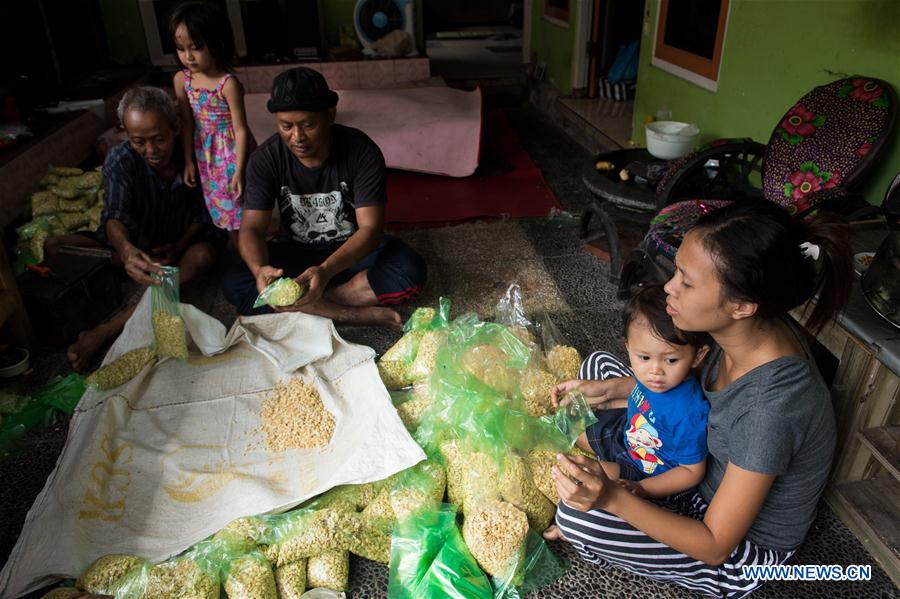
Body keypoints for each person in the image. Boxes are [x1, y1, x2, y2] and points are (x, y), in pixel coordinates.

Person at [545, 199, 851, 597]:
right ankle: (623, 457)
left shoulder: (770, 412)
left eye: (686, 282)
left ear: (740, 305)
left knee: (580, 519)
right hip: (696, 453)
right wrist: (613, 390)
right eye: (677, 273)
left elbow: (715, 544)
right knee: (599, 368)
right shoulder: (740, 330)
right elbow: (681, 376)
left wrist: (613, 499)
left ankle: (608, 505)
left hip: (732, 547)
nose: (669, 287)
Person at [222, 67, 427, 326]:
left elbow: (370, 229)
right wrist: (259, 269)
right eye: (286, 126)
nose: (297, 137)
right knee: (235, 281)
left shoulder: (361, 151)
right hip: (295, 253)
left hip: (351, 251)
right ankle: (347, 313)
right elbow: (251, 227)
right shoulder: (266, 159)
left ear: (330, 115)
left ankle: (305, 306)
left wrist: (326, 270)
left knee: (409, 270)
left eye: (308, 125)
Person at [44, 86, 223, 371]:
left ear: (175, 127)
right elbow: (114, 217)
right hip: (139, 241)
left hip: (185, 242)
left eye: (159, 140)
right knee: (55, 246)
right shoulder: (121, 159)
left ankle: (105, 331)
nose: (150, 151)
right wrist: (127, 252)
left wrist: (178, 247)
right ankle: (129, 263)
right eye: (139, 141)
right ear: (125, 133)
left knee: (202, 257)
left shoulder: (197, 154)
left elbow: (207, 213)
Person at [574, 284, 711, 500]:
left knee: (585, 479)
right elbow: (642, 400)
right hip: (629, 435)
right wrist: (607, 400)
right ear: (627, 347)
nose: (655, 371)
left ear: (697, 356)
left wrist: (644, 488)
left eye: (671, 360)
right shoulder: (656, 376)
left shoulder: (687, 413)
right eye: (644, 357)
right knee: (596, 362)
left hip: (647, 473)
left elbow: (692, 472)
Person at [171, 1, 254, 242]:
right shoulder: (181, 81)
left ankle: (252, 256)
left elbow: (241, 129)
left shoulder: (228, 84)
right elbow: (187, 123)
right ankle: (241, 258)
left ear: (217, 44)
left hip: (231, 153)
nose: (188, 56)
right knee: (225, 214)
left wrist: (239, 170)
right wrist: (187, 161)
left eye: (195, 48)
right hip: (206, 155)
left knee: (241, 208)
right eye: (180, 48)